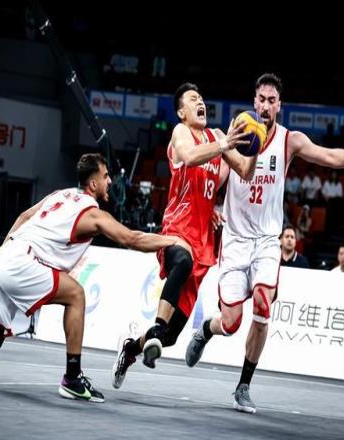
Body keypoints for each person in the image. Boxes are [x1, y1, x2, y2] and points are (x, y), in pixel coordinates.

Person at [0, 153, 190, 404]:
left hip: (7, 256)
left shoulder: (60, 195)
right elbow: (132, 238)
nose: (110, 181)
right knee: (76, 295)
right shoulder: (92, 214)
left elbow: (24, 216)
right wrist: (174, 241)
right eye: (105, 176)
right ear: (93, 184)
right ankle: (72, 378)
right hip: (22, 263)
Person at [185, 73, 344, 414]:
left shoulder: (289, 140)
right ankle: (206, 330)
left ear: (279, 105)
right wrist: (209, 211)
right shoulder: (235, 135)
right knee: (231, 322)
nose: (265, 105)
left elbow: (327, 157)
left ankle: (243, 386)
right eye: (261, 99)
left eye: (271, 100)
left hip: (267, 240)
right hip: (235, 240)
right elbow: (216, 179)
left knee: (263, 305)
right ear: (254, 102)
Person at [112, 82, 256, 389]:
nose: (200, 101)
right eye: (193, 99)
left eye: (201, 97)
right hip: (177, 228)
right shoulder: (181, 132)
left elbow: (243, 171)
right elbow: (189, 157)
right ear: (181, 112)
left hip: (203, 241)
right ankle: (156, 327)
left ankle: (131, 348)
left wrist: (256, 147)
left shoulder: (217, 137)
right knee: (182, 262)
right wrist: (224, 144)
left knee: (172, 337)